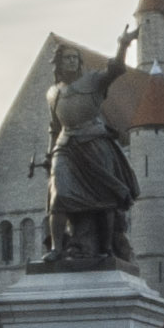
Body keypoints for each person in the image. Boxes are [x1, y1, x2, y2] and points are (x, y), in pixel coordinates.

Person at [42, 28, 140, 262]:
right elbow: (54, 126)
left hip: (95, 142)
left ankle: (106, 249)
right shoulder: (53, 93)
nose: (72, 62)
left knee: (105, 199)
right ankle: (57, 249)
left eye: (75, 58)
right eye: (67, 58)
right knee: (59, 196)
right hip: (66, 147)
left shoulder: (94, 81)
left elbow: (115, 69)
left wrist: (123, 44)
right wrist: (49, 153)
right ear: (59, 62)